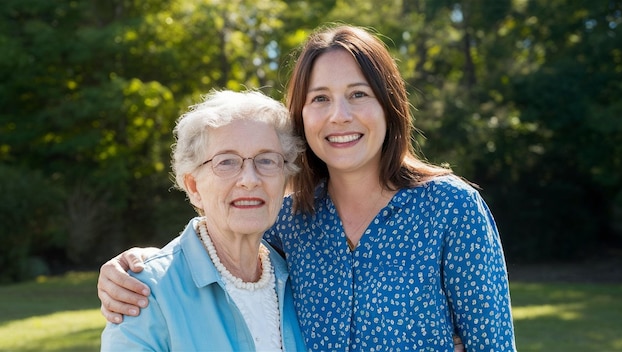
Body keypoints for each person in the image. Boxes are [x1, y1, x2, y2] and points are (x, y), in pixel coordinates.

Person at [98, 25, 516, 351]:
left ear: (389, 106)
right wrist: (139, 263)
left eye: (358, 94)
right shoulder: (287, 221)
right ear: (301, 116)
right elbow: (221, 244)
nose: (340, 115)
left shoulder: (451, 209)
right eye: (320, 99)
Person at [100, 89, 307, 351]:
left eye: (267, 160)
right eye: (227, 162)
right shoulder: (146, 292)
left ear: (284, 179)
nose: (250, 179)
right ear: (194, 187)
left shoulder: (297, 277)